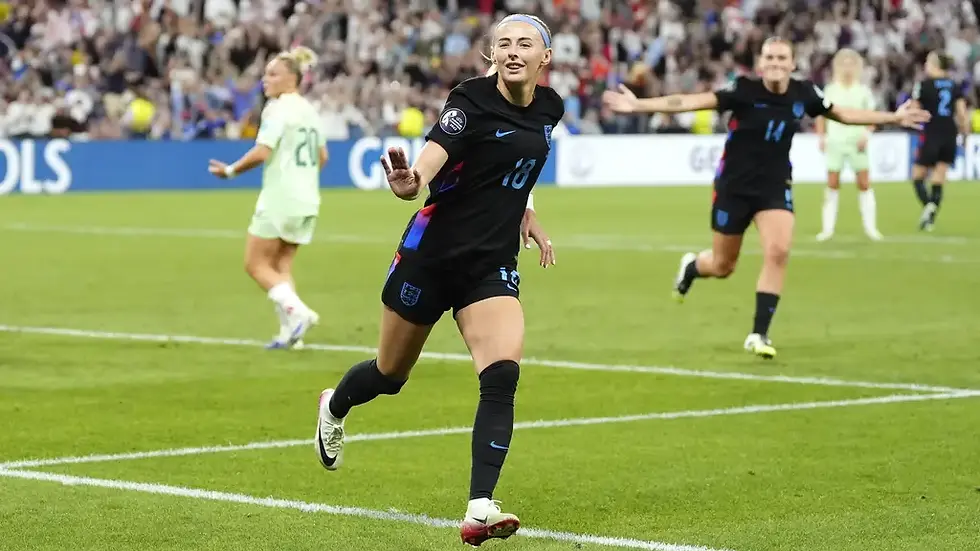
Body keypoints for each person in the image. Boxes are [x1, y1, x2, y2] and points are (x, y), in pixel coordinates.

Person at [312, 14, 559, 547]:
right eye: (503, 44)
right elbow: (427, 164)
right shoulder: (468, 101)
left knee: (501, 376)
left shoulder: (550, 109)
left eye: (525, 44)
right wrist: (410, 181)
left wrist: (528, 211)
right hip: (430, 257)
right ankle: (334, 406)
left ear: (546, 58)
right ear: (492, 54)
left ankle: (479, 509)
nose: (513, 51)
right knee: (389, 375)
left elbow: (519, 162)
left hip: (489, 266)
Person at [603, 37, 929, 359]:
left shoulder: (804, 94)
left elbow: (843, 114)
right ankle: (692, 267)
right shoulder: (743, 89)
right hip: (734, 187)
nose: (774, 64)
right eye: (769, 58)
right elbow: (689, 101)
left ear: (792, 64)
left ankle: (759, 333)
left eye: (781, 58)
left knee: (778, 250)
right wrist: (640, 105)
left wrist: (893, 118)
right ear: (761, 64)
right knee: (722, 265)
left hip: (774, 186)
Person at [208, 47, 325, 349]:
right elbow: (322, 156)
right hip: (307, 198)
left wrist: (231, 171)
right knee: (281, 266)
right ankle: (291, 334)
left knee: (255, 264)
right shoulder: (309, 110)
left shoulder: (278, 109)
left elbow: (263, 151)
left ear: (292, 78)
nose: (265, 80)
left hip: (281, 196)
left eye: (273, 74)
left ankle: (298, 313)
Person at [814, 48, 882, 242]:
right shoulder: (830, 90)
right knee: (832, 183)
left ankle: (871, 228)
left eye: (851, 63)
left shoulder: (863, 91)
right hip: (835, 142)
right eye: (843, 63)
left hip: (857, 142)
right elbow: (821, 115)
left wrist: (867, 134)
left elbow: (872, 115)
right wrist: (822, 137)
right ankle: (827, 229)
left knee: (864, 183)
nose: (847, 67)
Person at [909, 51, 970, 232]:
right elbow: (962, 114)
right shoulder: (954, 85)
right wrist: (965, 135)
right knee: (939, 176)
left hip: (931, 132)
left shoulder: (923, 85)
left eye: (928, 62)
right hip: (949, 132)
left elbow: (914, 110)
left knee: (918, 176)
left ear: (935, 64)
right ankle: (930, 219)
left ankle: (929, 205)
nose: (925, 65)